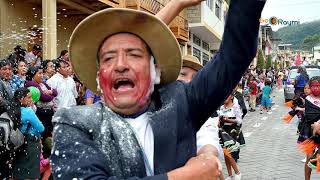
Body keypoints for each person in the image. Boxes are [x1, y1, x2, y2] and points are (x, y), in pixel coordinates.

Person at [51, 0, 265, 179]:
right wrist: (188, 175)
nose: (120, 65)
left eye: (134, 55)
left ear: (155, 71)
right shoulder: (75, 124)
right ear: (99, 77)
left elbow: (234, 54)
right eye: (108, 58)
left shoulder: (182, 100)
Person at [177, 55, 224, 178]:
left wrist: (207, 157)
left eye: (194, 78)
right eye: (182, 74)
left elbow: (207, 136)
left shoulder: (200, 111)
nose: (188, 81)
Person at [12, 87, 45, 179]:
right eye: (29, 97)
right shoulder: (28, 111)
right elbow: (41, 128)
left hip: (17, 144)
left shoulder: (12, 109)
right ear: (21, 99)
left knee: (18, 173)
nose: (31, 100)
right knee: (30, 175)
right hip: (30, 144)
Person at [25, 66, 57, 139]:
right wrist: (50, 95)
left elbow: (55, 92)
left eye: (42, 73)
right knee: (43, 133)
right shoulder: (31, 83)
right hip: (41, 112)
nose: (42, 75)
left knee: (49, 133)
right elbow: (43, 98)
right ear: (33, 75)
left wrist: (50, 92)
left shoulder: (42, 83)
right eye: (39, 73)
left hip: (48, 111)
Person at [218, 94, 242, 180]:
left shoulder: (235, 106)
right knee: (225, 154)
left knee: (229, 153)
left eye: (227, 96)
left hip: (232, 132)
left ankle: (237, 173)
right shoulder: (221, 108)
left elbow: (239, 120)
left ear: (231, 97)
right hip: (223, 132)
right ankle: (230, 175)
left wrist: (228, 120)